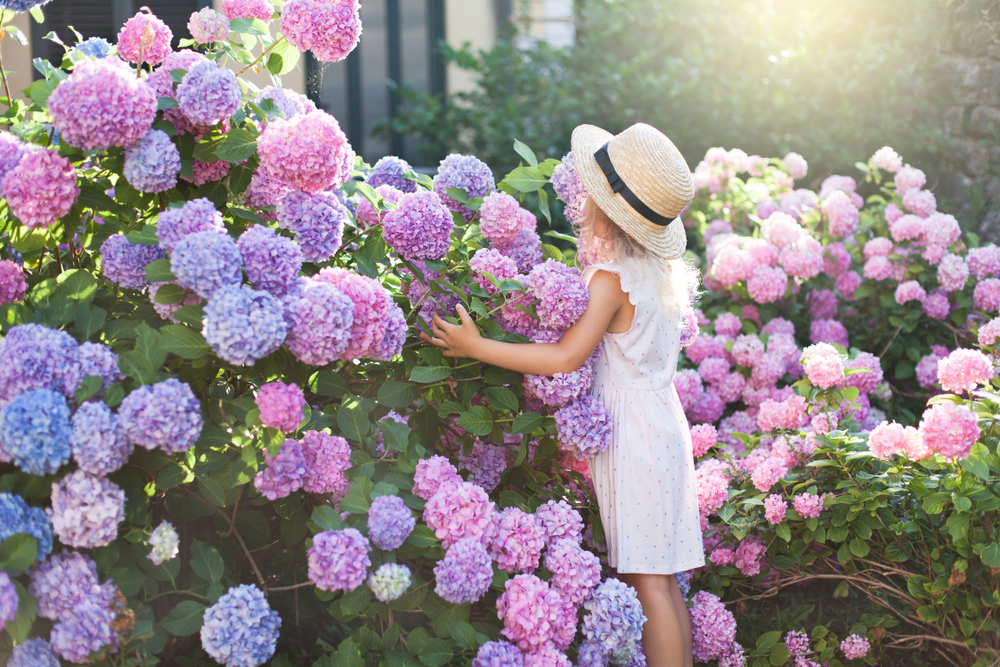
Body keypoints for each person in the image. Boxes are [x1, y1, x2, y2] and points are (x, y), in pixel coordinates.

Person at [421, 122, 704, 667]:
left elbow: (565, 357)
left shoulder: (611, 277)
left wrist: (478, 346)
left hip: (634, 439)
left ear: (605, 208)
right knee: (662, 581)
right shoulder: (655, 271)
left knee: (647, 583)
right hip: (662, 424)